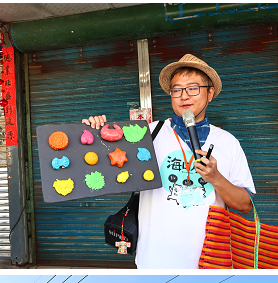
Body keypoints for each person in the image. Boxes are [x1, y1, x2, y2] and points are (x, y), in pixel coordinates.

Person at [83, 54, 255, 269]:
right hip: (154, 260)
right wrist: (95, 132)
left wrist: (216, 178)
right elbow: (106, 168)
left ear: (210, 93)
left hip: (209, 262)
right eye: (177, 90)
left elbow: (245, 205)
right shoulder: (147, 134)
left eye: (193, 88)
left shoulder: (228, 142)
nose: (184, 96)